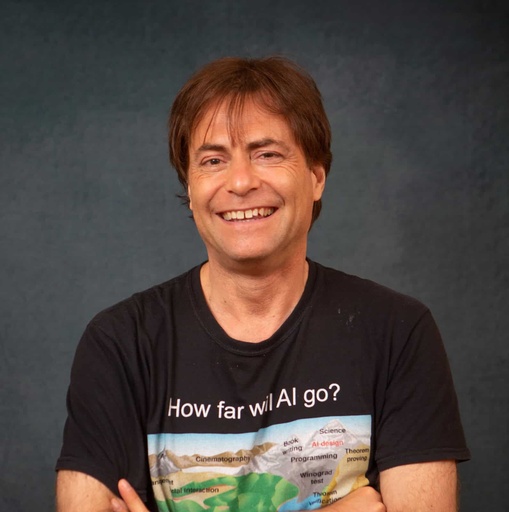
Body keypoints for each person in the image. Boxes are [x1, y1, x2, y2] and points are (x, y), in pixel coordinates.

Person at [55, 56, 470, 512]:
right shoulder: (119, 344)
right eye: (213, 160)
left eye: (267, 154)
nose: (239, 182)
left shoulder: (398, 332)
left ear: (316, 177)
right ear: (190, 189)